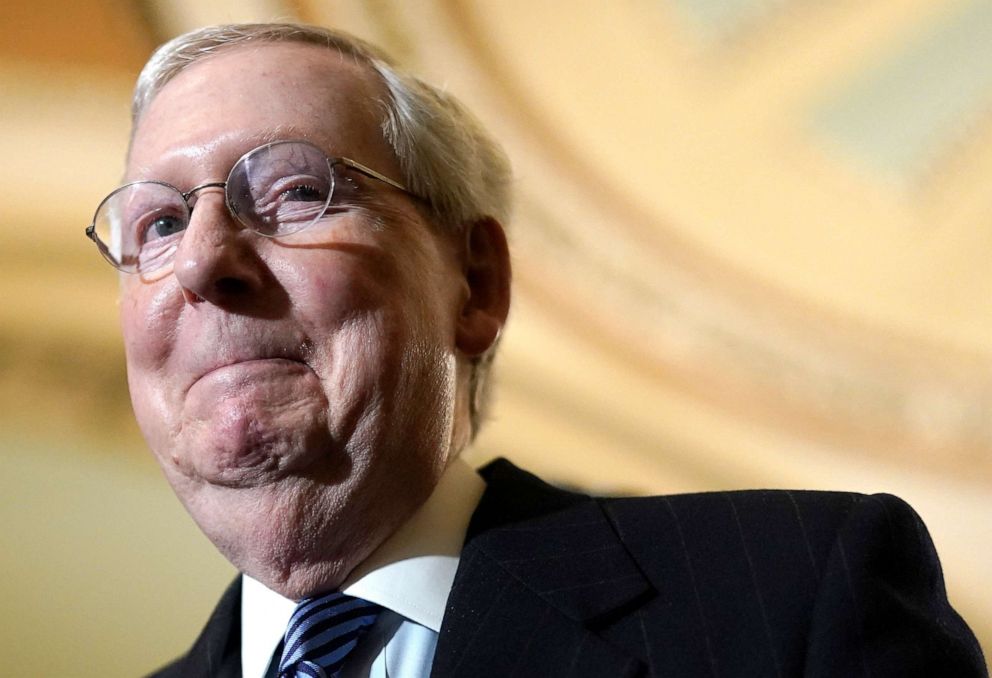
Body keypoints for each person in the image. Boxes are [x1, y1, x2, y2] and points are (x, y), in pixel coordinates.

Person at [86, 22, 987, 678]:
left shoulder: (794, 597)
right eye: (158, 222)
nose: (202, 260)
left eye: (292, 191)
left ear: (474, 284)